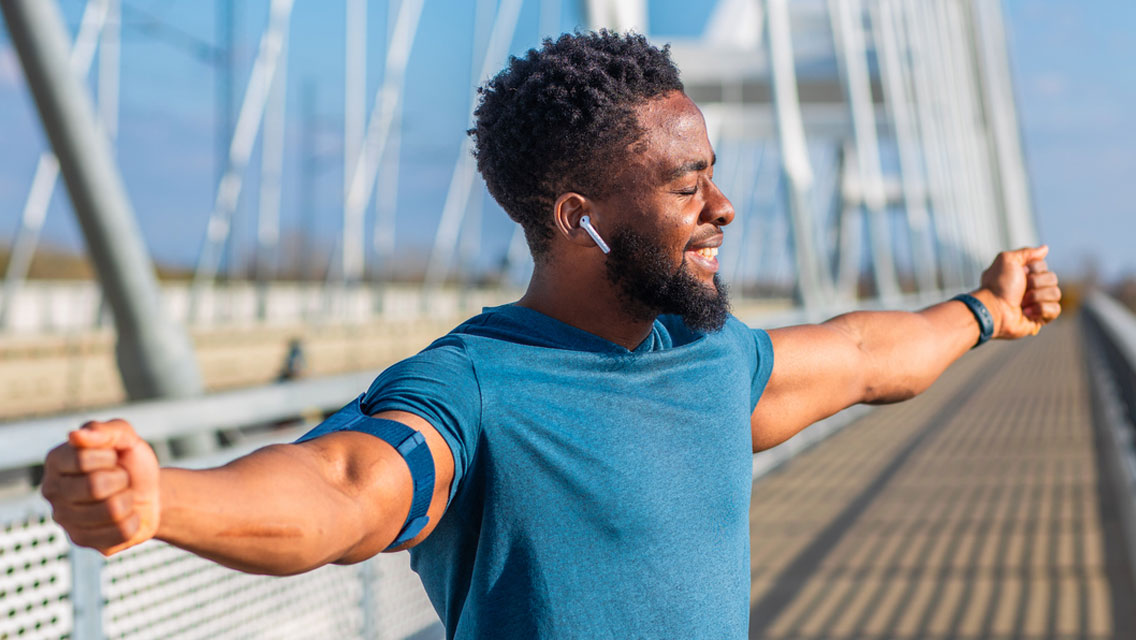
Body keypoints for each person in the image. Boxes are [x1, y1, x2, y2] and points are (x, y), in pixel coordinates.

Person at [41, 32, 1061, 638]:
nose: (724, 208)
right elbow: (346, 487)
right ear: (578, 218)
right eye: (685, 184)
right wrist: (162, 497)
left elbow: (862, 354)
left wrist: (979, 313)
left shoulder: (713, 362)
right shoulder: (476, 385)